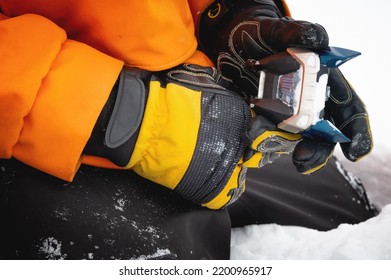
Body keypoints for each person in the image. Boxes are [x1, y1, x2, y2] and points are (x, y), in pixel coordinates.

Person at [0, 0, 376, 259]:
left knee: (346, 222)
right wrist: (116, 111)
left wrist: (228, 13)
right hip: (35, 132)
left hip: (196, 90)